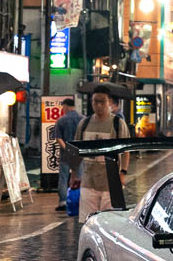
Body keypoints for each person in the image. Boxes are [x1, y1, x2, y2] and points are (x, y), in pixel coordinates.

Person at [71, 86, 131, 224]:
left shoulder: (117, 123)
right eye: (95, 101)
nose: (98, 105)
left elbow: (126, 150)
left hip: (110, 181)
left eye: (102, 101)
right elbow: (76, 150)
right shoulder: (84, 123)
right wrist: (73, 174)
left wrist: (123, 173)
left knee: (109, 222)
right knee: (88, 222)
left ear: (110, 102)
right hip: (88, 180)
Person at [53, 97, 81, 210]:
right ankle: (78, 200)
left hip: (65, 154)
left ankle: (63, 202)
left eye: (63, 107)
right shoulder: (82, 119)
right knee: (79, 177)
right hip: (79, 153)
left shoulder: (61, 121)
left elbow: (58, 138)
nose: (63, 110)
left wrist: (68, 149)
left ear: (67, 107)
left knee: (63, 177)